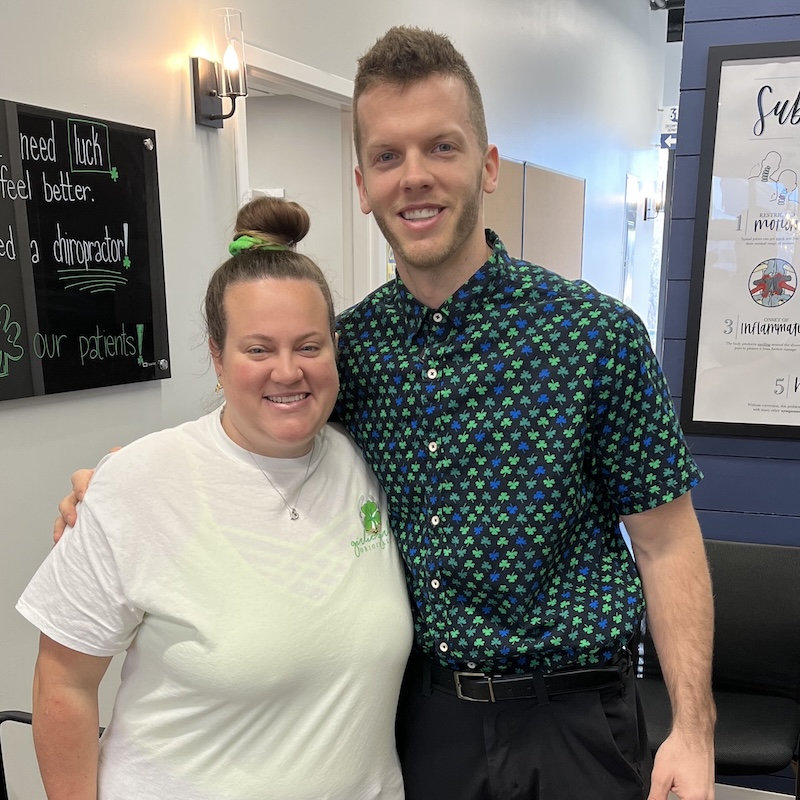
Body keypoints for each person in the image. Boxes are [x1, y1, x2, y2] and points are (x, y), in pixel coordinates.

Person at [55, 26, 716, 800]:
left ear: (487, 165)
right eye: (388, 156)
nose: (415, 178)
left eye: (442, 147)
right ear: (363, 183)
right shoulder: (347, 352)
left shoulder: (596, 336)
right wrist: (118, 488)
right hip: (417, 724)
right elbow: (264, 441)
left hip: (572, 723)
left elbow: (668, 544)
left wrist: (694, 730)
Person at [20, 196, 413, 800]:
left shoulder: (368, 461)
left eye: (309, 346)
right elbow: (62, 684)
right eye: (258, 349)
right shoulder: (139, 484)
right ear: (217, 356)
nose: (288, 371)